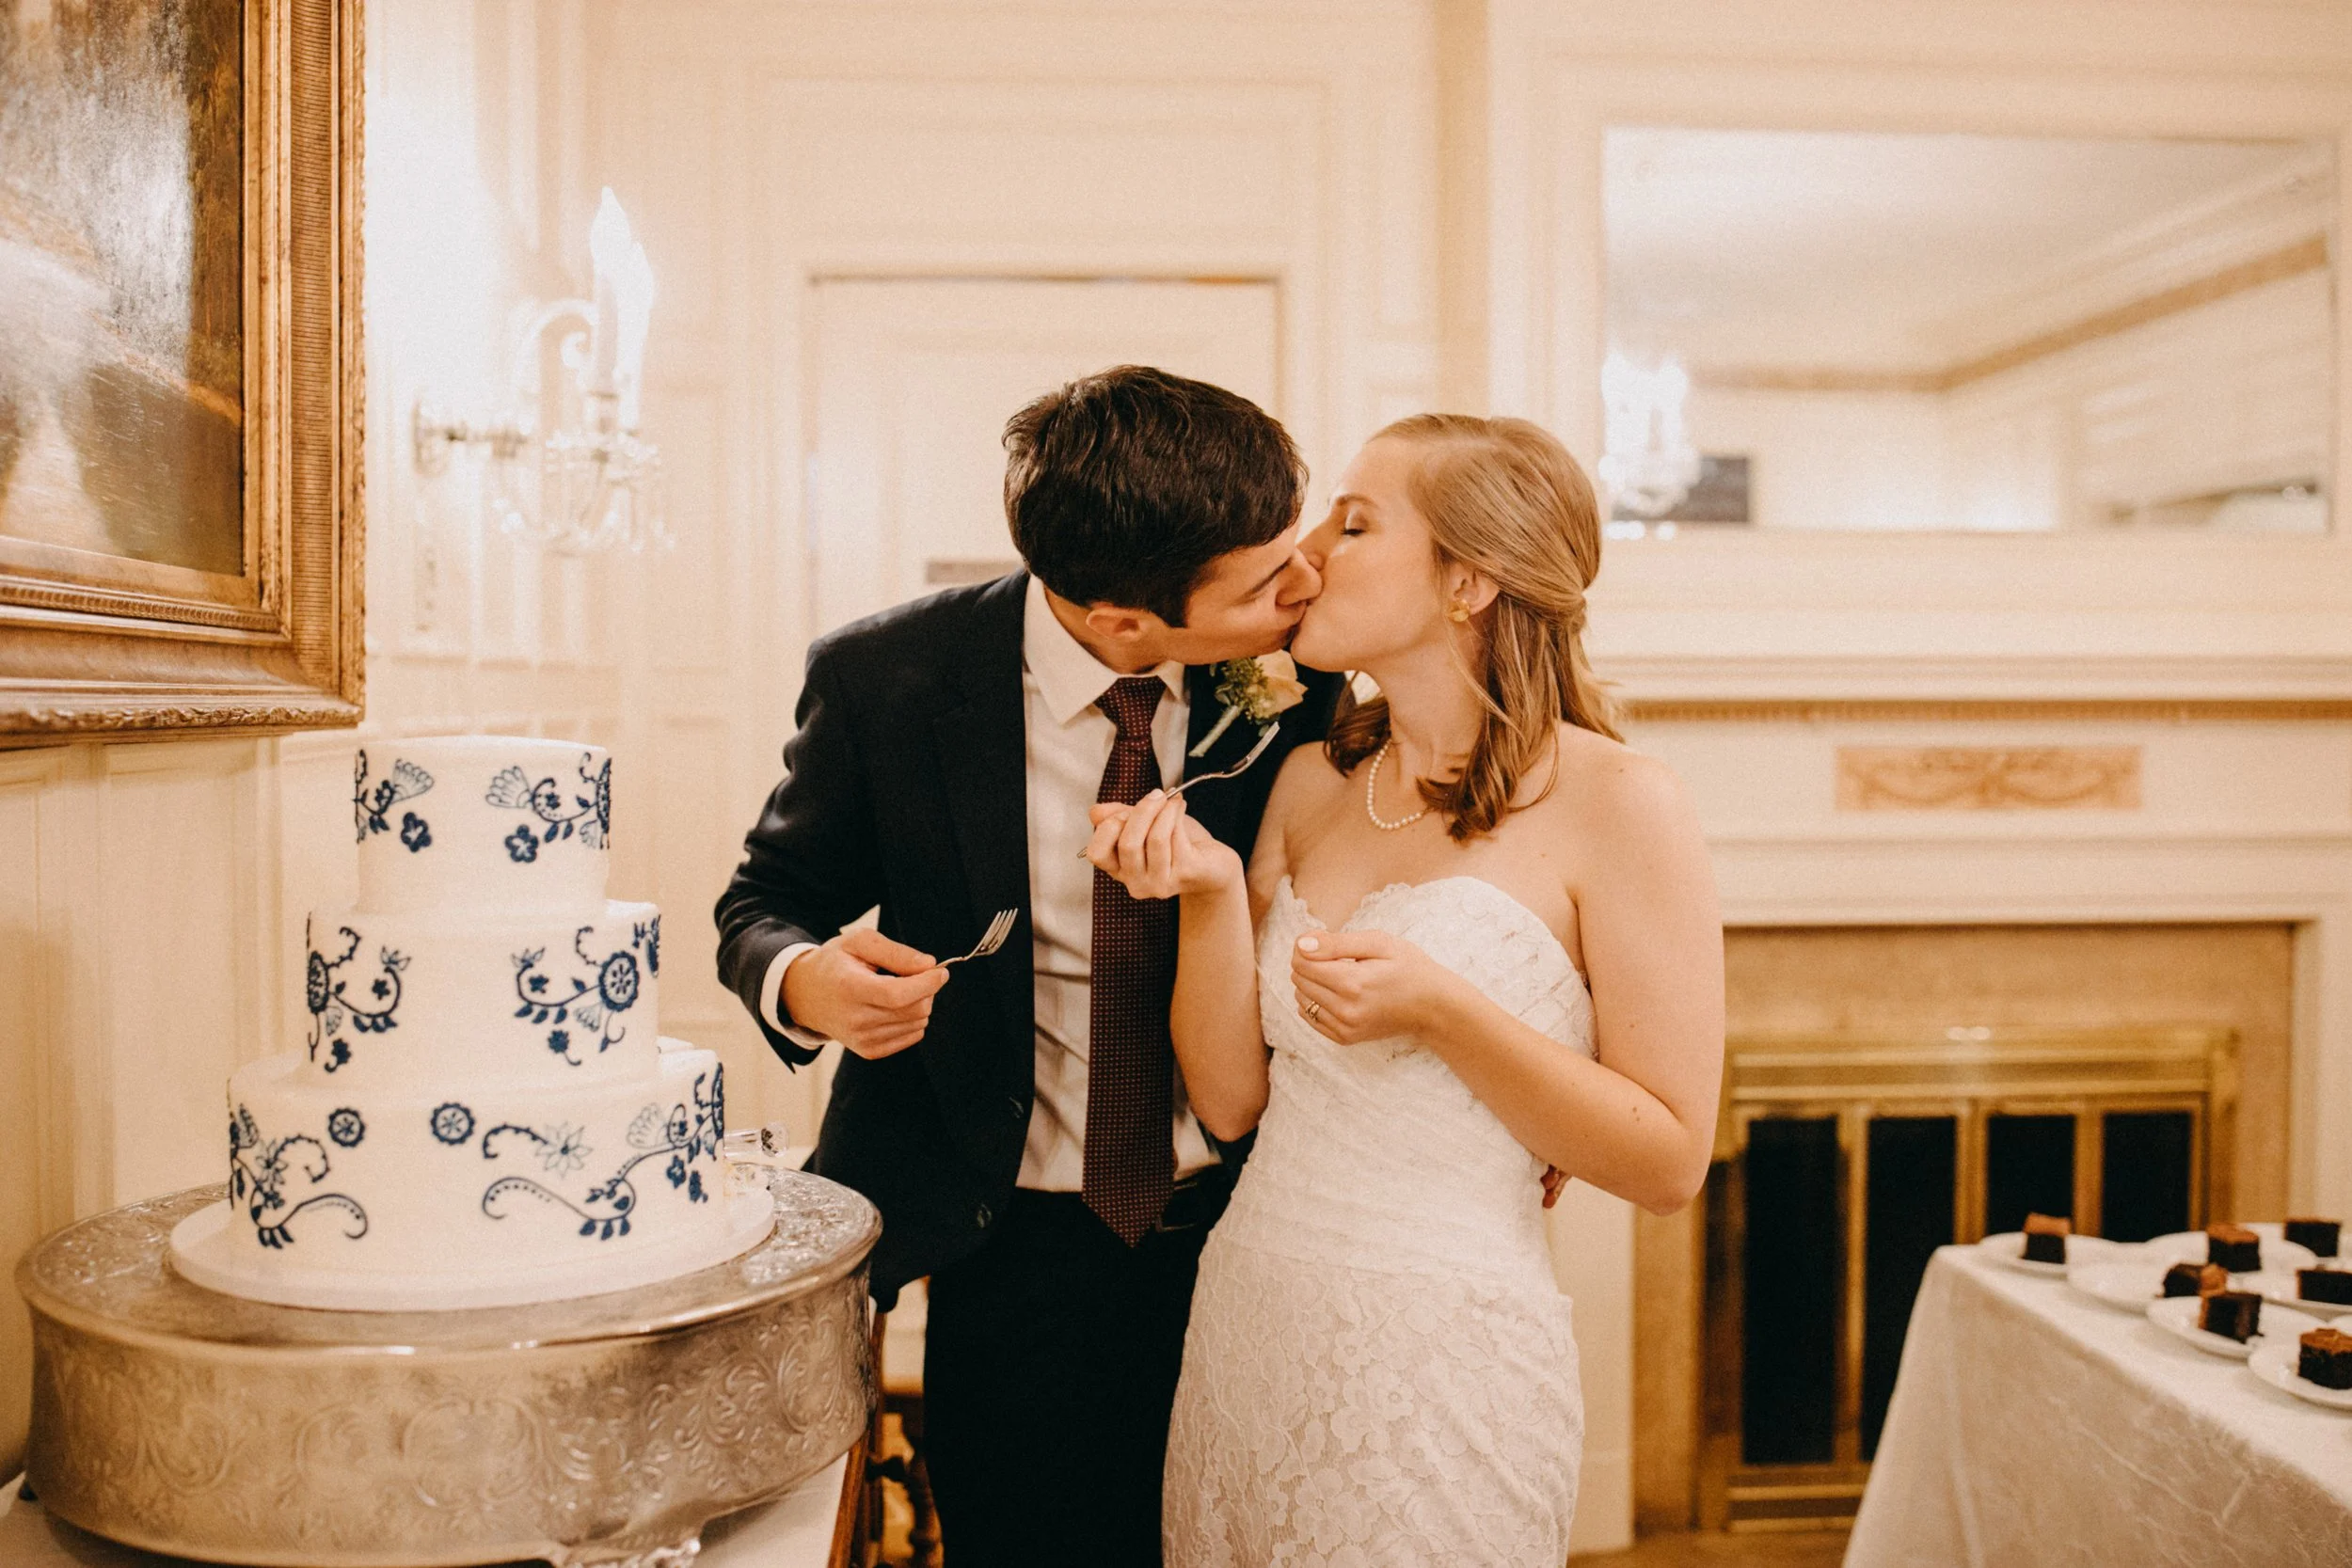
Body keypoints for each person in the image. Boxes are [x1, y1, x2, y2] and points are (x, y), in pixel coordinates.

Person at [714, 365, 1350, 1564]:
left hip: (1249, 1217)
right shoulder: (886, 679)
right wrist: (811, 983)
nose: (1304, 580)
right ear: (1123, 622)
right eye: (1268, 576)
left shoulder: (1307, 683)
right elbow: (763, 903)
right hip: (1000, 1236)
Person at [1085, 413, 1725, 1565]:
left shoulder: (1623, 803)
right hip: (1252, 1320)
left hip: (1442, 1361)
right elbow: (1232, 1102)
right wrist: (1211, 895)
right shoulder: (1307, 780)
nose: (1308, 548)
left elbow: (1668, 1158)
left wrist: (1448, 1012)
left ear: (1469, 579)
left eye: (1354, 519)